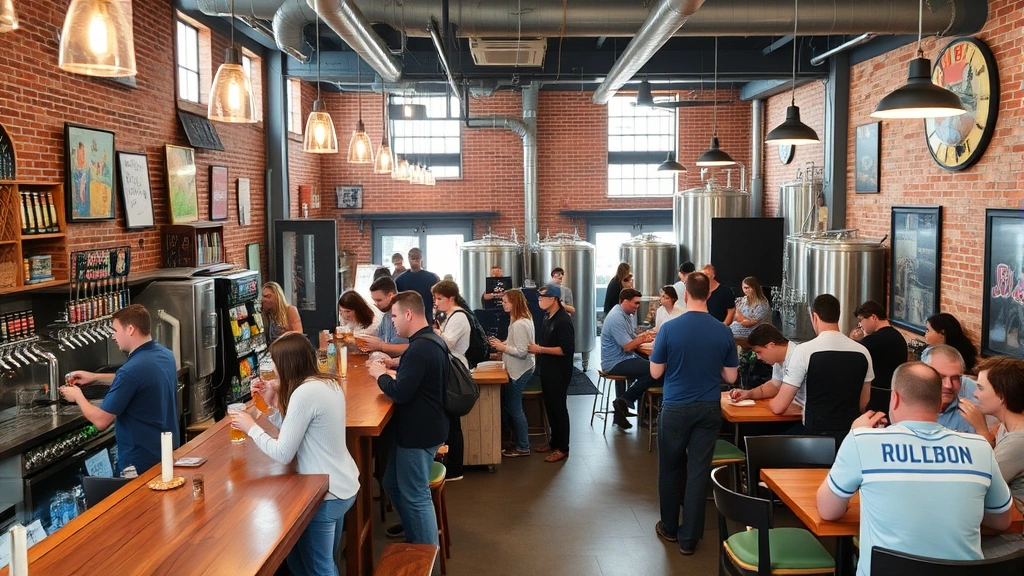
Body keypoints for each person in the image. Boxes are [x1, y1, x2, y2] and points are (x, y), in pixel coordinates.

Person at [816, 362, 1013, 576]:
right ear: (939, 404)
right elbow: (1002, 520)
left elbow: (828, 511)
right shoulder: (980, 448)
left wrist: (855, 434)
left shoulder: (862, 440)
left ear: (895, 398)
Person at [229, 333, 359, 576]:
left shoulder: (304, 393)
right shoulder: (327, 383)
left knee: (319, 569)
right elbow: (297, 432)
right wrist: (270, 404)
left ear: (287, 364)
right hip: (342, 483)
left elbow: (283, 452)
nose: (272, 371)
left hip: (325, 494)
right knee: (303, 562)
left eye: (274, 364)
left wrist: (251, 427)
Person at [649, 271, 738, 555]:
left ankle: (670, 527)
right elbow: (732, 377)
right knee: (699, 471)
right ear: (709, 294)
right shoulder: (723, 330)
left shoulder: (670, 329)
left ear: (685, 294)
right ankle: (689, 539)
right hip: (708, 408)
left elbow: (655, 371)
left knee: (671, 468)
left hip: (675, 407)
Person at [368, 291, 448, 546]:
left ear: (408, 314)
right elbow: (418, 372)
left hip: (419, 433)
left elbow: (400, 393)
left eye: (394, 316)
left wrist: (380, 374)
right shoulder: (427, 341)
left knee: (416, 496)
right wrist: (396, 364)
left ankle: (425, 556)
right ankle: (415, 532)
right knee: (391, 482)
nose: (392, 322)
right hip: (428, 426)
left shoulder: (419, 348)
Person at [60, 305, 179, 475]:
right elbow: (140, 381)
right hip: (166, 455)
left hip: (139, 464)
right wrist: (94, 377)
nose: (113, 336)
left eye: (115, 330)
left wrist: (77, 396)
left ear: (130, 329)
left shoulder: (130, 371)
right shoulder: (165, 355)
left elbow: (101, 421)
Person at [769, 294, 873, 446]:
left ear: (815, 317)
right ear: (838, 316)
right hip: (850, 437)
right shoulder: (863, 352)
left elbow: (779, 407)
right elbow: (864, 403)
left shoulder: (804, 351)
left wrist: (770, 403)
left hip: (815, 438)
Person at [967, 357, 1024, 557]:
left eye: (981, 388)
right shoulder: (1005, 426)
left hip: (1011, 540)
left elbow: (976, 486)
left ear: (1001, 395)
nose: (974, 393)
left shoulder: (1018, 441)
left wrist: (981, 430)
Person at [528, 284, 575, 463]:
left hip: (559, 372)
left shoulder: (563, 320)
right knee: (550, 408)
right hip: (547, 370)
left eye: (542, 298)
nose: (539, 301)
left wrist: (539, 349)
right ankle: (554, 442)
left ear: (553, 299)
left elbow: (566, 349)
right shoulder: (548, 317)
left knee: (559, 409)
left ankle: (563, 447)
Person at [431, 279, 471, 480]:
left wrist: (433, 331)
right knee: (449, 421)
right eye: (434, 298)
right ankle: (450, 464)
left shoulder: (458, 317)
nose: (436, 302)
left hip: (455, 370)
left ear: (451, 298)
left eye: (439, 298)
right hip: (449, 368)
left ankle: (455, 468)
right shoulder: (449, 316)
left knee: (453, 421)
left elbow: (447, 343)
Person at [488, 289, 536, 458]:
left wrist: (502, 347)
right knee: (512, 406)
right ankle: (517, 441)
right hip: (520, 368)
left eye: (506, 302)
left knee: (515, 408)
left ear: (515, 302)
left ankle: (523, 446)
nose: (503, 304)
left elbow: (522, 351)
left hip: (520, 370)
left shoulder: (519, 323)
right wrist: (502, 343)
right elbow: (514, 340)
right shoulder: (519, 319)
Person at [602, 288, 657, 429]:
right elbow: (627, 346)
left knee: (654, 369)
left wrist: (644, 337)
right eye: (635, 303)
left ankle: (631, 407)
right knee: (655, 370)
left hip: (623, 358)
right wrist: (643, 338)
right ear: (625, 301)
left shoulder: (625, 314)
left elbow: (632, 337)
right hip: (615, 362)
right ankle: (625, 401)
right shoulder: (617, 318)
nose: (637, 306)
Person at [852, 300, 909, 412]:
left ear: (873, 317)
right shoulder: (898, 337)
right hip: (895, 395)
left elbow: (851, 358)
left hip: (877, 397)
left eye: (861, 320)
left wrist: (854, 340)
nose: (860, 325)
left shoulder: (873, 341)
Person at [922, 344, 987, 435]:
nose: (948, 385)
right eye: (940, 377)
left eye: (955, 378)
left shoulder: (971, 409)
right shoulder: (906, 404)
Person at [729, 323, 797, 406]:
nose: (758, 357)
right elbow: (775, 385)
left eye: (759, 352)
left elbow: (780, 405)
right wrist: (749, 394)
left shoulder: (796, 357)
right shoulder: (777, 360)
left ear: (771, 345)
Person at [357, 276, 409, 357]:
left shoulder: (406, 316)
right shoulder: (386, 317)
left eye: (379, 300)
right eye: (374, 300)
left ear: (390, 295)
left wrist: (381, 346)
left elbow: (411, 347)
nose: (376, 304)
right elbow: (380, 340)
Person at [395, 247, 441, 326]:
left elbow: (439, 299)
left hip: (426, 316)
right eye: (413, 257)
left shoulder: (432, 278)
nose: (415, 259)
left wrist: (437, 318)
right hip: (408, 316)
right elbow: (397, 301)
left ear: (421, 258)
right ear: (409, 258)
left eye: (417, 257)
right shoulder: (399, 280)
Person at [729, 276, 771, 340]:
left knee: (727, 331)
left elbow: (748, 323)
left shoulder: (762, 305)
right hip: (741, 327)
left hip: (756, 331)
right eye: (743, 288)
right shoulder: (742, 300)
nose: (744, 291)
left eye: (747, 288)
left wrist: (737, 313)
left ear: (754, 288)